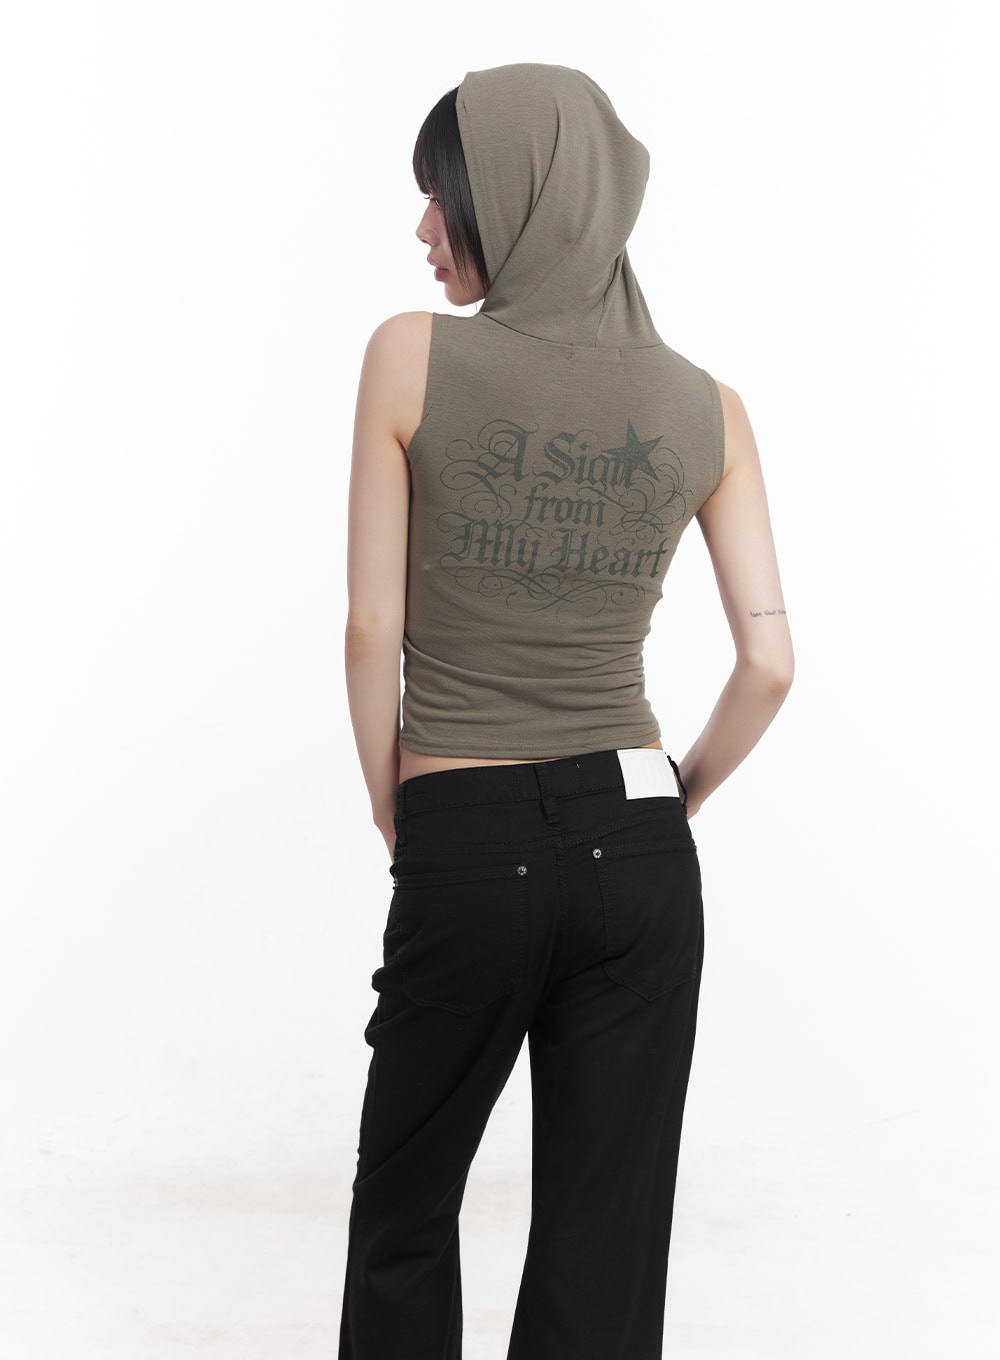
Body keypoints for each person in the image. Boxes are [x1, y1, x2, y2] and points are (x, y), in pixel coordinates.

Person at [340, 62, 793, 1360]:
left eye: (445, 196)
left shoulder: (411, 357)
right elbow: (770, 662)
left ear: (522, 194)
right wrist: (673, 799)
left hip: (465, 835)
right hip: (640, 853)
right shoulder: (709, 409)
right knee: (608, 1234)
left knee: (407, 1208)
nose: (425, 227)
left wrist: (399, 807)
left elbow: (371, 630)